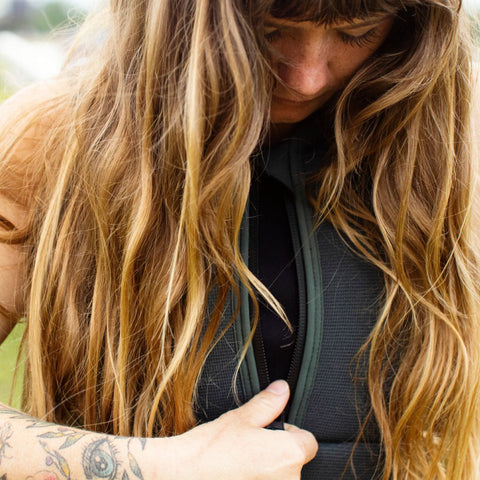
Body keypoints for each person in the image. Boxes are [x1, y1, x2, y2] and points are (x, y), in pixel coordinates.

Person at [0, 0, 479, 478]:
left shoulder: (456, 159)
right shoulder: (55, 138)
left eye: (358, 32)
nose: (306, 78)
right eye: (272, 29)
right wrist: (164, 468)